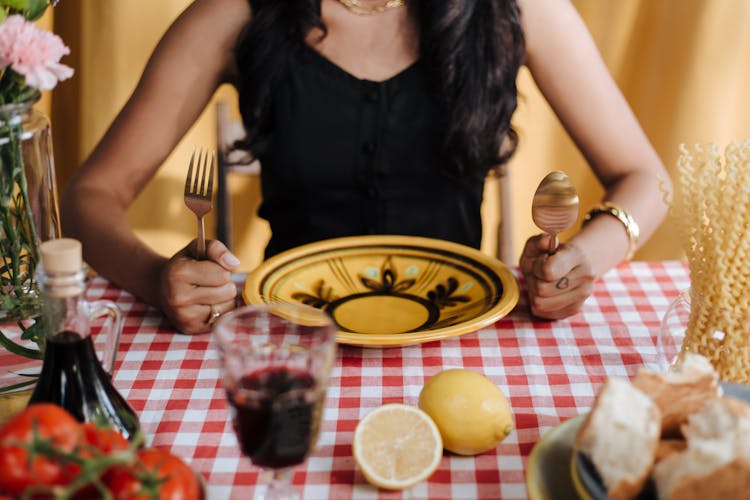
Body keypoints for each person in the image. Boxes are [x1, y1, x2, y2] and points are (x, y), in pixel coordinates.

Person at [61, 0, 671, 334]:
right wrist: (158, 278)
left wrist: (582, 259)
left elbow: (646, 178)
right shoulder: (234, 14)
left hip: (460, 337)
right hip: (290, 341)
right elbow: (91, 195)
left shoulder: (517, 9)